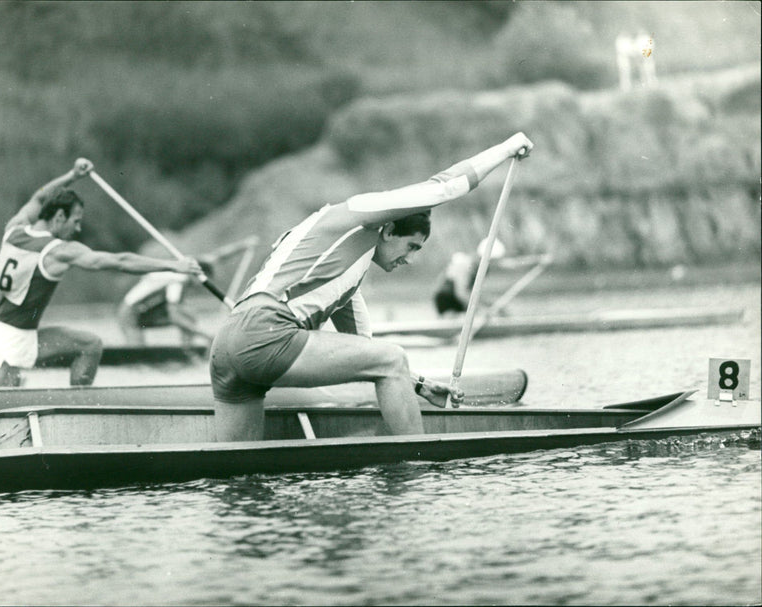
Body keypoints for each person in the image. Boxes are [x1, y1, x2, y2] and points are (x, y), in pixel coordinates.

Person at [210, 132, 534, 440]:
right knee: (393, 359)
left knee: (240, 481)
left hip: (227, 343)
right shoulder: (357, 218)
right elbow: (444, 187)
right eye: (411, 247)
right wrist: (507, 149)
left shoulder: (343, 278)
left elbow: (364, 353)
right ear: (389, 229)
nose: (410, 259)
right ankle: (418, 468)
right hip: (265, 331)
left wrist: (419, 385)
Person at [0, 158, 204, 387]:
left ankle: (77, 408)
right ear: (59, 217)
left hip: (3, 334)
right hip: (11, 343)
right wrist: (172, 266)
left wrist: (72, 176)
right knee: (3, 404)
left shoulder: (14, 228)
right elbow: (120, 261)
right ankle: (72, 407)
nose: (77, 229)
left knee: (90, 345)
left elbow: (40, 196)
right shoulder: (58, 252)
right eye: (76, 221)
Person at [117, 260, 215, 347]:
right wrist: (206, 336)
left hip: (143, 310)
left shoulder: (182, 277)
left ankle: (187, 350)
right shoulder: (178, 280)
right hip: (130, 312)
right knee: (138, 352)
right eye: (204, 282)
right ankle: (187, 351)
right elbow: (175, 317)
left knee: (188, 315)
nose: (203, 286)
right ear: (197, 275)